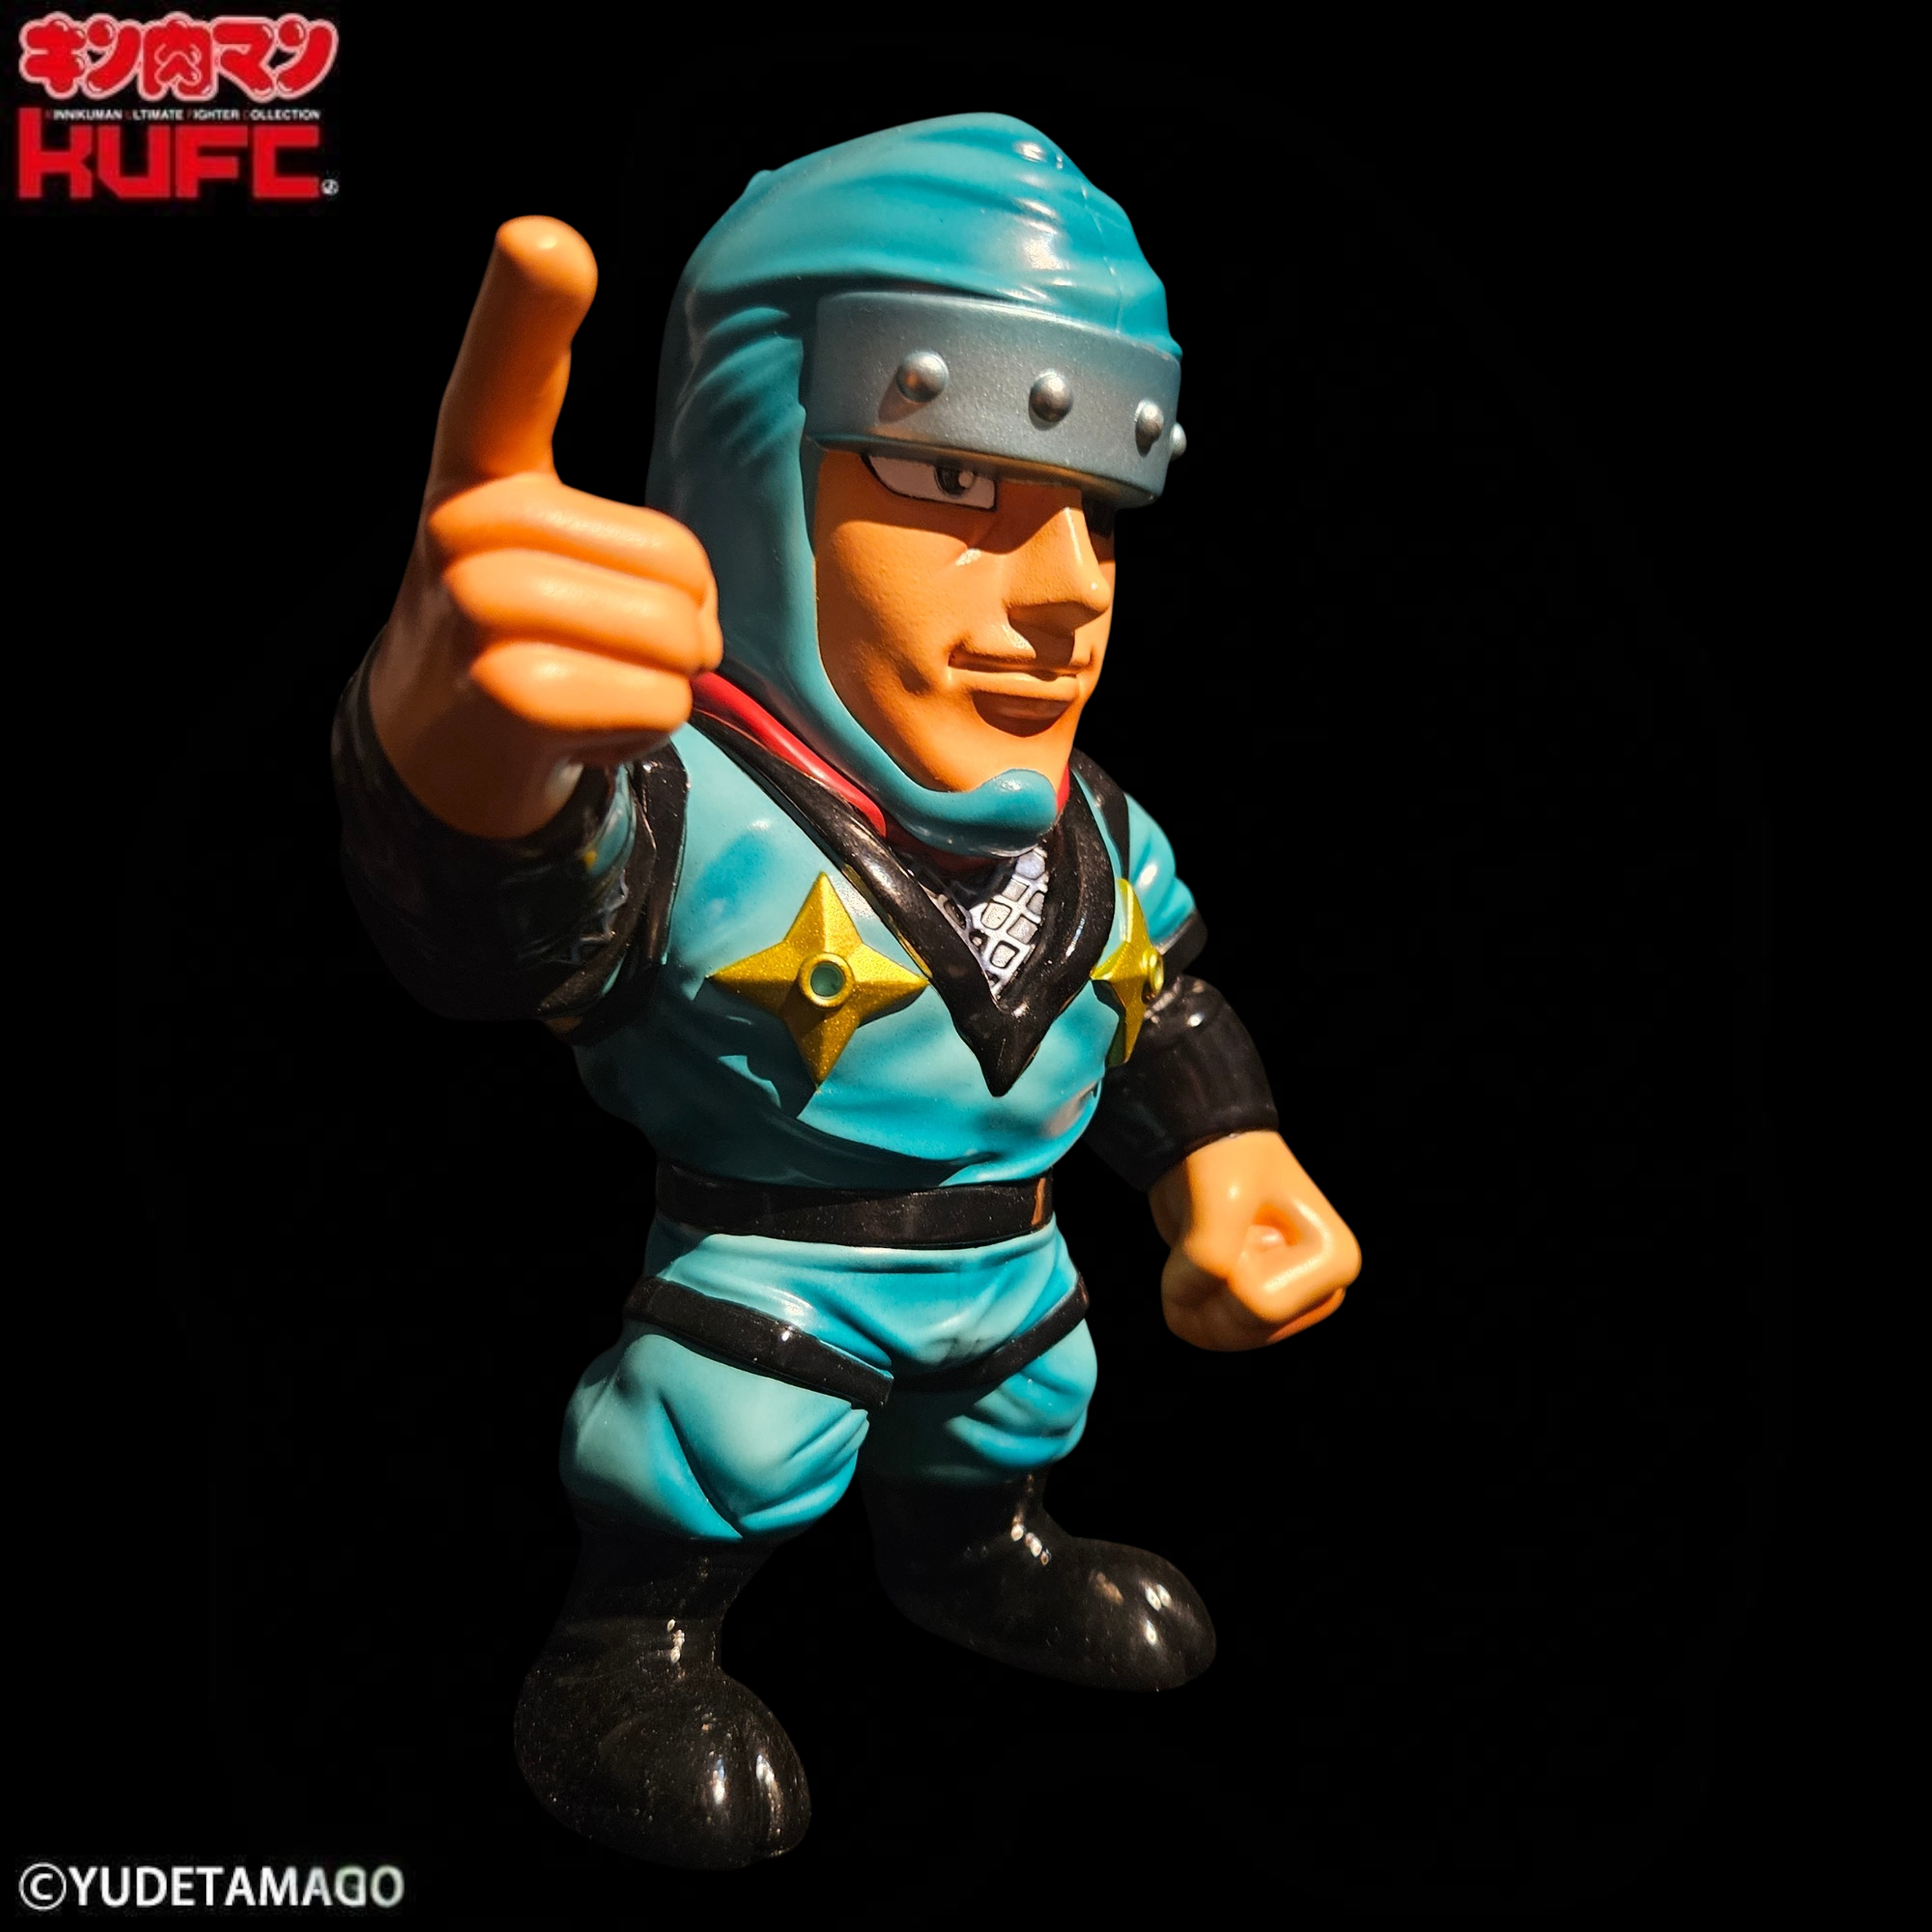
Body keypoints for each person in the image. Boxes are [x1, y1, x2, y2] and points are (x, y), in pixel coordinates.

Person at [333, 113, 1361, 1870]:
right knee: (720, 1443)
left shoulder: (1098, 829)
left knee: (1021, 1401)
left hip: (1010, 1263)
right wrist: (453, 755)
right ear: (756, 480)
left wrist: (1226, 1155)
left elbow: (1159, 1004)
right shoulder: (681, 799)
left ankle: (974, 1552)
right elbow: (508, 935)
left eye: (1096, 513)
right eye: (952, 482)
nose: (1065, 594)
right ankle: (630, 1640)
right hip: (772, 1271)